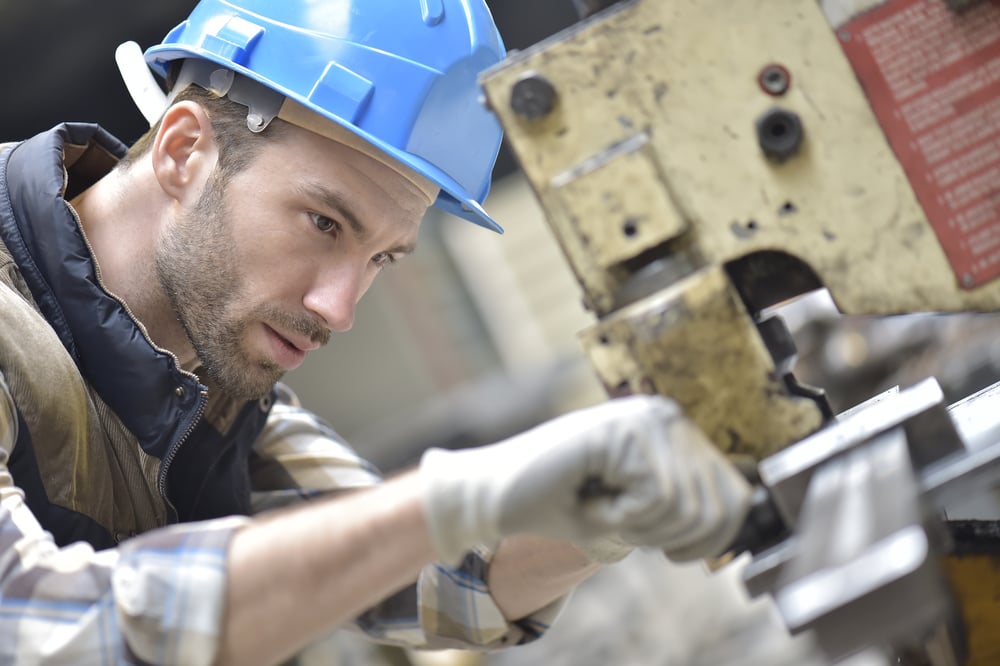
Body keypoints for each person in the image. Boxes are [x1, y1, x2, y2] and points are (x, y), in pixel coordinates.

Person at [0, 1, 753, 664]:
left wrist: (597, 504)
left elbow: (440, 580)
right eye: (325, 223)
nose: (339, 307)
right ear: (184, 150)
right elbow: (44, 630)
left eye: (380, 259)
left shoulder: (202, 386)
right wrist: (450, 499)